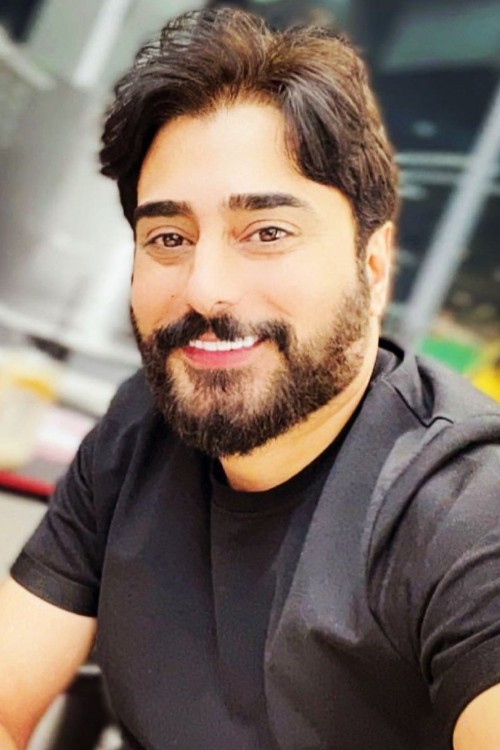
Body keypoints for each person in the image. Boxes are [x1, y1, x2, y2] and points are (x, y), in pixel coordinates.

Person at [0, 8, 499, 750]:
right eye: (169, 237)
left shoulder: (464, 509)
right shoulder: (139, 433)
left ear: (372, 264)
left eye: (267, 233)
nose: (205, 289)